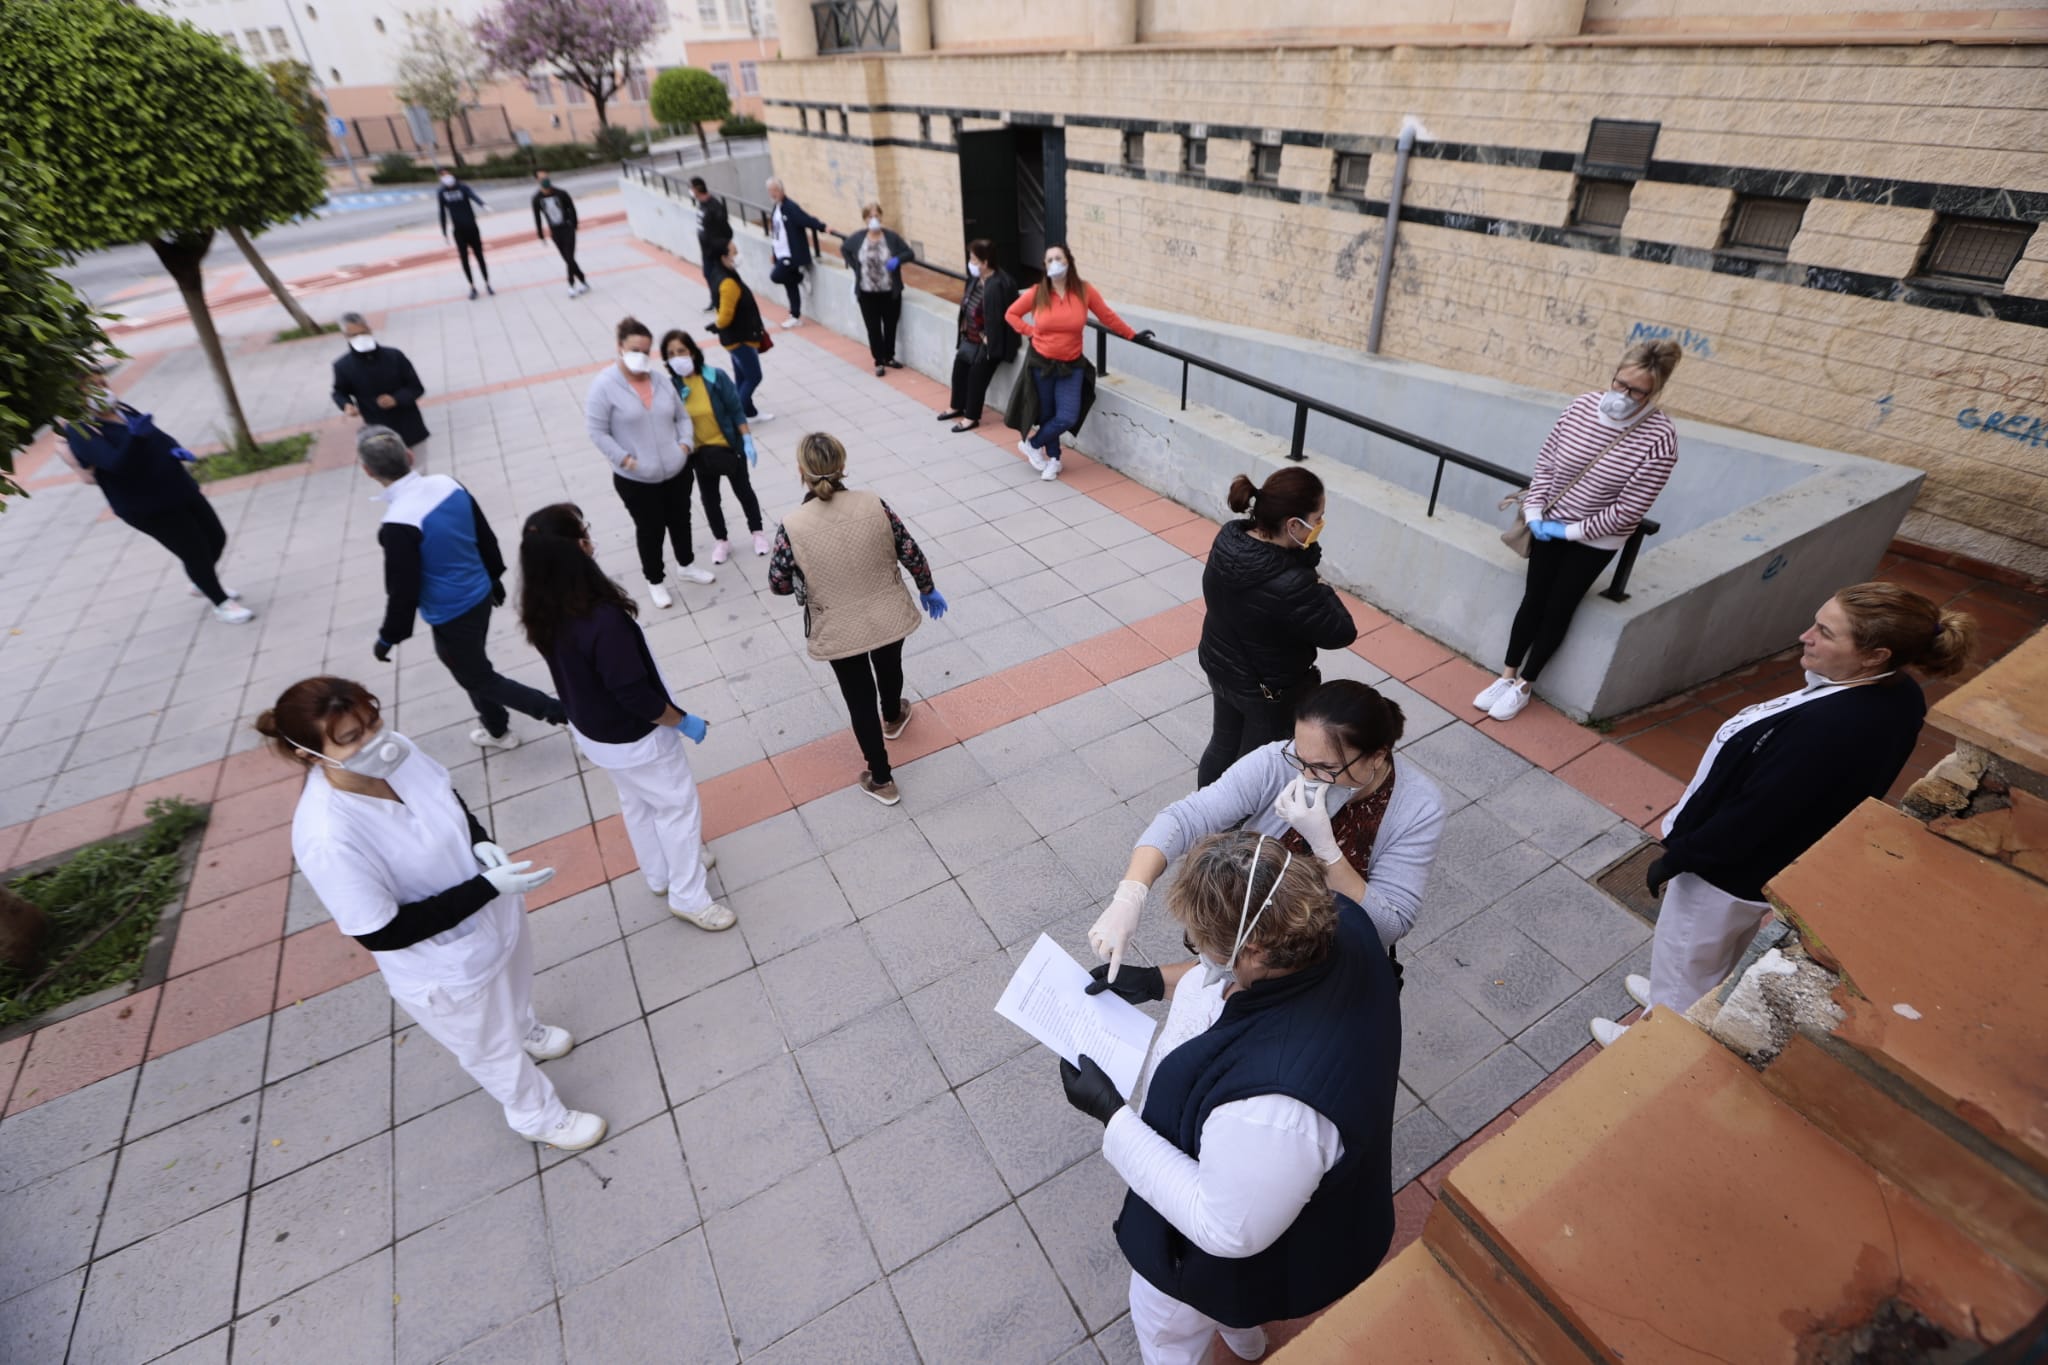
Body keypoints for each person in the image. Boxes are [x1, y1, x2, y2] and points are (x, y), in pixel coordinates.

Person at [1060, 829, 1402, 1365]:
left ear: (1257, 950)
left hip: (1204, 1256)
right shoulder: (1344, 924)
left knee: (1166, 1333)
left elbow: (1225, 1229)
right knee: (1237, 1308)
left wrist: (1110, 1115)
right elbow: (1228, 972)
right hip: (1283, 1207)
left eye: (1200, 944)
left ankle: (1229, 1339)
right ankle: (1247, 1341)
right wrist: (1153, 982)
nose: (1199, 957)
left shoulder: (1273, 1110)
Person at [1591, 583, 1977, 1047]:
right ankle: (1675, 994)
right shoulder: (1897, 692)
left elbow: (1758, 812)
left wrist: (1679, 857)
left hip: (1724, 871)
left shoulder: (1829, 727)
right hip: (1769, 863)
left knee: (1688, 950)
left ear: (1875, 655)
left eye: (1825, 632)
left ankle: (1659, 1037)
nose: (1805, 636)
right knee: (1713, 951)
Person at [264, 675, 605, 1153]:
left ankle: (525, 1027)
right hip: (444, 963)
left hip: (490, 913)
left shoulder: (394, 752)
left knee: (514, 979)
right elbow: (382, 932)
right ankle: (537, 1115)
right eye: (351, 738)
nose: (373, 740)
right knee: (488, 1047)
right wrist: (483, 888)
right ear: (308, 754)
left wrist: (479, 839)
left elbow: (446, 795)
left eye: (373, 721)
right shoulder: (327, 834)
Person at [1089, 680, 1445, 984]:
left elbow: (1388, 925)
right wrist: (1130, 894)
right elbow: (1185, 818)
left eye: (1324, 768)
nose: (1305, 777)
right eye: (1300, 759)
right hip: (1249, 934)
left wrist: (1326, 850)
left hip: (1324, 959)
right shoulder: (1277, 761)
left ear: (1378, 756)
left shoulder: (1418, 807)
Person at [518, 504, 736, 932]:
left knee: (636, 802)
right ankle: (689, 896)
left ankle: (659, 873)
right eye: (585, 533)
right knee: (676, 808)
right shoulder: (600, 619)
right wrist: (683, 721)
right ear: (573, 550)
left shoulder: (543, 608)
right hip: (637, 737)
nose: (591, 539)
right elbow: (636, 694)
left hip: (594, 732)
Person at [1475, 339, 1682, 722]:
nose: (1623, 395)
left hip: (1594, 540)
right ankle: (1505, 675)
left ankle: (1526, 684)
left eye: (1637, 391)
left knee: (1559, 606)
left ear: (1655, 391)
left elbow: (1630, 509)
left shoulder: (1659, 439)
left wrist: (1570, 533)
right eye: (1620, 383)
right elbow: (1548, 461)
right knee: (1533, 598)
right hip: (1548, 521)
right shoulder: (1582, 407)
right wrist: (1535, 510)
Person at [358, 426, 566, 752]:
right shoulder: (447, 484)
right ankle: (497, 729)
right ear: (409, 455)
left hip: (451, 614)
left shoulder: (398, 523)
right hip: (481, 594)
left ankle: (566, 715)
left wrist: (389, 637)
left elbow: (403, 590)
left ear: (367, 471)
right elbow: (483, 534)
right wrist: (494, 577)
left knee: (477, 677)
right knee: (471, 667)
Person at [767, 433, 946, 807]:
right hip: (888, 611)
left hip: (837, 625)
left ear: (801, 471)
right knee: (889, 664)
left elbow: (779, 583)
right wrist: (927, 588)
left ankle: (882, 779)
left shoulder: (792, 525)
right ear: (843, 466)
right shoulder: (873, 503)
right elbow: (910, 550)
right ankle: (894, 715)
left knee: (858, 698)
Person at [1198, 468, 1357, 787]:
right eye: (1319, 517)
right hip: (1266, 691)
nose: (1321, 525)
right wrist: (1316, 579)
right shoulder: (1294, 583)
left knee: (1222, 743)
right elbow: (1341, 631)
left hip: (1221, 667)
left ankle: (1205, 812)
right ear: (1294, 525)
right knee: (1253, 767)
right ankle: (1235, 831)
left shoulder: (1230, 538)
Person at [56, 373, 252, 625]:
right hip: (146, 505)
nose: (101, 391)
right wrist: (134, 438)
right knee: (195, 552)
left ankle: (202, 581)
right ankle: (221, 603)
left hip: (178, 487)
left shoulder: (123, 409)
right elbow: (115, 464)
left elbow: (156, 435)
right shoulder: (81, 430)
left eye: (101, 385)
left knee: (216, 537)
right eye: (90, 390)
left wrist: (173, 447)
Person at [585, 316, 710, 608]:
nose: (640, 356)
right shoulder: (604, 386)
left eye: (645, 350)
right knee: (650, 528)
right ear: (619, 347)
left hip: (676, 469)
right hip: (637, 479)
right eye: (634, 349)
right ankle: (655, 580)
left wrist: (685, 444)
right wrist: (624, 459)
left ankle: (687, 565)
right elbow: (596, 430)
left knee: (681, 520)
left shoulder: (660, 381)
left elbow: (681, 416)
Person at [1004, 242, 1151, 482]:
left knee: (1067, 415)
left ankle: (1032, 444)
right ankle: (1054, 459)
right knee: (1048, 413)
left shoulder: (1084, 291)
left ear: (1069, 261)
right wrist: (1030, 331)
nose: (1054, 263)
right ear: (1044, 265)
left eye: (1058, 258)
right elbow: (1010, 314)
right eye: (1049, 260)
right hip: (1042, 363)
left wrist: (1132, 335)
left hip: (1071, 365)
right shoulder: (1037, 292)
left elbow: (1107, 316)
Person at [660, 329, 767, 563]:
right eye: (671, 353)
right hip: (699, 455)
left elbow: (736, 410)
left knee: (744, 491)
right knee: (710, 499)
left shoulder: (715, 377)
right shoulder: (671, 388)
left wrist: (747, 440)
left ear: (692, 351)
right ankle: (722, 540)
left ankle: (757, 533)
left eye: (681, 351)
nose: (677, 356)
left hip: (729, 448)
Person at [937, 239, 1018, 434]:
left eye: (974, 259)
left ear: (985, 261)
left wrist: (989, 337)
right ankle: (956, 406)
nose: (970, 263)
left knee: (976, 377)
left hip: (991, 344)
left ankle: (971, 417)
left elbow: (1006, 316)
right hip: (970, 338)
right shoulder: (974, 280)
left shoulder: (1001, 284)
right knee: (959, 370)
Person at [332, 312, 430, 455]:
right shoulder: (343, 366)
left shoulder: (394, 356)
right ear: (346, 337)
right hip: (379, 433)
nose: (360, 338)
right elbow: (339, 391)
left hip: (410, 426)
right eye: (354, 335)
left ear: (369, 330)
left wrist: (396, 399)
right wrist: (346, 405)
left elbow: (416, 387)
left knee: (419, 471)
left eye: (363, 332)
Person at [838, 200, 915, 377]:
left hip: (889, 291)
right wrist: (856, 267)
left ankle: (889, 356)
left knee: (890, 325)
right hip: (867, 292)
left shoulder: (891, 237)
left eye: (876, 216)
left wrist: (897, 261)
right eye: (870, 216)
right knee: (873, 327)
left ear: (881, 217)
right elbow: (845, 249)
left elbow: (909, 253)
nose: (874, 219)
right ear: (865, 219)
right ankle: (878, 360)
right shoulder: (858, 238)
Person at [707, 238, 774, 424]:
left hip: (734, 337)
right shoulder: (728, 283)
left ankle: (750, 412)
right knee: (753, 376)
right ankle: (736, 414)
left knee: (742, 376)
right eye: (734, 252)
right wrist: (718, 324)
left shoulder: (720, 274)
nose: (737, 255)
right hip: (740, 338)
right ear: (724, 257)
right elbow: (726, 315)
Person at [766, 177, 831, 328]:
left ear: (782, 191)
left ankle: (801, 276)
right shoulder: (776, 208)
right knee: (789, 283)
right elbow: (776, 233)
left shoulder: (790, 207)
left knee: (777, 276)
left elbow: (805, 219)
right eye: (770, 191)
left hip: (792, 255)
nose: (773, 194)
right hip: (781, 254)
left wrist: (823, 227)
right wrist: (774, 253)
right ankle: (795, 315)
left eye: (775, 190)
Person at [436, 169, 493, 301]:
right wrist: (444, 231)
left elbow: (473, 196)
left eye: (447, 174)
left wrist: (483, 205)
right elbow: (442, 212)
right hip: (458, 230)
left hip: (472, 227)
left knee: (479, 255)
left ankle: (487, 283)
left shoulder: (463, 187)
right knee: (464, 259)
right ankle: (472, 286)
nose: (446, 177)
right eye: (443, 176)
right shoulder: (441, 192)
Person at [532, 170, 588, 297]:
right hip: (555, 232)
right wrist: (541, 235)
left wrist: (574, 225)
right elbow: (537, 217)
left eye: (547, 177)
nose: (545, 180)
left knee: (569, 256)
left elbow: (572, 208)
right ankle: (583, 280)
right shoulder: (537, 199)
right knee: (568, 259)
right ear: (537, 181)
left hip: (567, 229)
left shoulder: (561, 193)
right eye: (542, 178)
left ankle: (571, 284)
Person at [690, 177, 732, 313]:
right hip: (706, 250)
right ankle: (715, 300)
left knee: (718, 276)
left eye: (691, 188)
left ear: (697, 189)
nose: (690, 191)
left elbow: (725, 228)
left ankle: (723, 301)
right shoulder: (702, 205)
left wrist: (723, 245)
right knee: (708, 274)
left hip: (716, 249)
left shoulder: (715, 206)